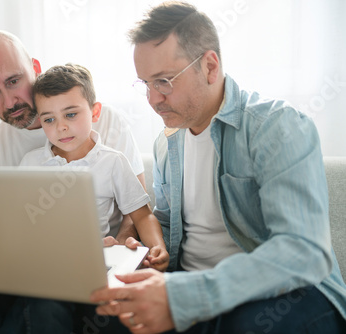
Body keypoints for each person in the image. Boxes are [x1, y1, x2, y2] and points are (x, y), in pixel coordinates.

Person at [90, 1, 346, 333]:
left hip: (285, 296)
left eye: (164, 81)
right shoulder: (167, 144)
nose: (152, 99)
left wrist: (183, 295)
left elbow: (303, 253)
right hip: (190, 288)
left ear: (210, 66)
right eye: (145, 85)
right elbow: (168, 228)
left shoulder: (276, 128)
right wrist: (136, 249)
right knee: (106, 315)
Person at [0, 31, 146, 333]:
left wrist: (121, 247)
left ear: (35, 68)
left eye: (13, 81)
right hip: (10, 272)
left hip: (78, 273)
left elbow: (137, 209)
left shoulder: (103, 121)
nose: (9, 101)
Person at [21, 63, 169, 270]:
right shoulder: (30, 163)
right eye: (49, 119)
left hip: (95, 264)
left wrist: (157, 246)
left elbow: (142, 215)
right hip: (44, 264)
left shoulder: (113, 162)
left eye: (71, 114)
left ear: (95, 112)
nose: (61, 127)